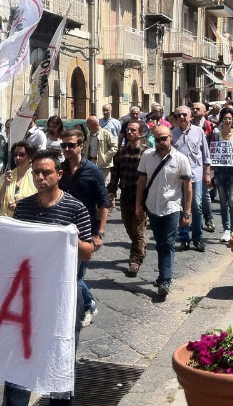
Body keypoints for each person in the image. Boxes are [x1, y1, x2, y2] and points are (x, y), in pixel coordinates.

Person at [0, 149, 94, 406]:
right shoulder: (25, 207)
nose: (40, 177)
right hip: (29, 292)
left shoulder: (76, 208)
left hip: (64, 292)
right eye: (36, 172)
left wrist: (70, 239)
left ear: (59, 175)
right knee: (20, 351)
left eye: (46, 172)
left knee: (62, 350)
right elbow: (15, 243)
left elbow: (87, 252)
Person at [59, 129, 109, 328]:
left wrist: (100, 233)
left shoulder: (93, 171)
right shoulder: (60, 169)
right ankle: (83, 304)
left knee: (75, 276)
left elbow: (103, 204)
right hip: (62, 229)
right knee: (67, 274)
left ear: (81, 146)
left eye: (71, 145)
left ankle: (87, 306)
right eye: (64, 145)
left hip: (85, 231)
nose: (67, 149)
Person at [135, 126, 192, 297]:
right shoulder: (147, 156)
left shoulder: (180, 159)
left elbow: (187, 186)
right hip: (152, 206)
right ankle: (162, 276)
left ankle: (166, 279)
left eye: (164, 138)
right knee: (160, 243)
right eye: (158, 139)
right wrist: (139, 205)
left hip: (172, 207)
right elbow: (141, 181)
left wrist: (187, 212)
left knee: (167, 243)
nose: (161, 142)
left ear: (170, 137)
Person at [108, 120, 147, 276]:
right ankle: (141, 246)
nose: (130, 132)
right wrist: (111, 191)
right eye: (128, 130)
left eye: (133, 130)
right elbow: (115, 174)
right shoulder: (121, 153)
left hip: (141, 196)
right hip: (125, 194)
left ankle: (135, 260)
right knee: (129, 227)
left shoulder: (146, 153)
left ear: (139, 133)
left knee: (138, 229)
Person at [171, 106, 212, 252]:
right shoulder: (172, 134)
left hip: (196, 176)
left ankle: (198, 238)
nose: (182, 117)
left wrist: (207, 174)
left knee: (197, 206)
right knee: (182, 207)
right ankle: (184, 239)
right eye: (179, 115)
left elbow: (206, 155)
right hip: (179, 177)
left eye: (184, 115)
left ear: (190, 116)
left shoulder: (199, 131)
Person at [210, 109, 233, 243]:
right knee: (223, 201)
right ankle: (226, 229)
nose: (227, 121)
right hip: (220, 171)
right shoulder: (216, 135)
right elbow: (212, 153)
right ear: (221, 119)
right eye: (225, 118)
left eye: (230, 118)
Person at [0, 140, 36, 217]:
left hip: (26, 222)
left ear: (30, 157)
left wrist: (19, 208)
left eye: (22, 155)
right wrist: (5, 184)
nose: (17, 158)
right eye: (15, 155)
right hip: (7, 222)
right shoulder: (5, 177)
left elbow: (39, 204)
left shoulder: (35, 177)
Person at [190, 102, 216, 233]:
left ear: (205, 111)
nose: (194, 110)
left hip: (205, 166)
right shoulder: (187, 124)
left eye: (197, 109)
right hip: (191, 166)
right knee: (191, 196)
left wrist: (209, 168)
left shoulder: (210, 126)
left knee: (205, 194)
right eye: (193, 108)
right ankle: (194, 221)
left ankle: (208, 218)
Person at [84, 115, 117, 182]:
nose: (87, 126)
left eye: (88, 124)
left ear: (94, 124)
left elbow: (114, 147)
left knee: (103, 184)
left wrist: (105, 157)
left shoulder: (106, 134)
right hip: (90, 162)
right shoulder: (88, 135)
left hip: (103, 164)